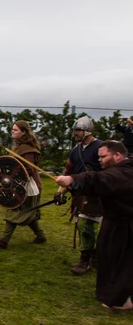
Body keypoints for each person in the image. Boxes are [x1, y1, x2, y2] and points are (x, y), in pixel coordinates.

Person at [56, 141, 133, 309]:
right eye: (99, 157)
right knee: (112, 258)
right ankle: (121, 297)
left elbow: (97, 179)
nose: (100, 160)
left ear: (117, 155)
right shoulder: (120, 172)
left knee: (118, 260)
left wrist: (72, 179)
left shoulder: (122, 174)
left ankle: (121, 300)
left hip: (123, 225)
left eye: (103, 157)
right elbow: (99, 183)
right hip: (117, 222)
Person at [55, 116, 103, 275]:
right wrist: (60, 192)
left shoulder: (100, 147)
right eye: (75, 130)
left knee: (96, 228)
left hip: (98, 195)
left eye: (78, 130)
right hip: (80, 195)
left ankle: (92, 257)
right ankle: (88, 257)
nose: (75, 133)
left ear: (87, 131)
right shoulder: (75, 150)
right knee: (84, 226)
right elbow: (69, 173)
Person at [0, 120, 46, 249]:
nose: (12, 131)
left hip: (29, 186)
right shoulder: (20, 147)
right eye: (12, 129)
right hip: (19, 184)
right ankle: (40, 236)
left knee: (15, 210)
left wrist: (12, 177)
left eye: (15, 130)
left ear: (23, 132)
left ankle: (4, 240)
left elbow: (29, 170)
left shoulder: (28, 149)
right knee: (27, 213)